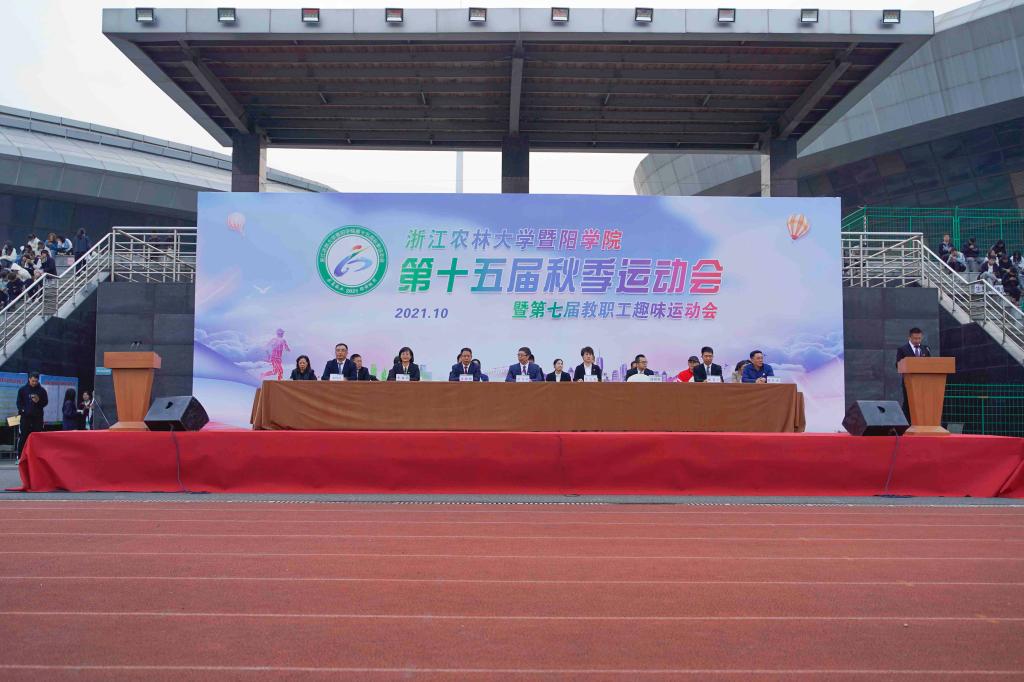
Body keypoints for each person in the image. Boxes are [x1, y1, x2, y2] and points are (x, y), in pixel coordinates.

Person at [16, 372, 48, 458]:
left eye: (36, 381)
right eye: (33, 381)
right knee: (23, 436)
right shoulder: (22, 390)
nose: (34, 383)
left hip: (37, 418)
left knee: (36, 436)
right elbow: (19, 403)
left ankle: (35, 456)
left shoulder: (42, 390)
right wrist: (23, 410)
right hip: (25, 418)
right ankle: (20, 456)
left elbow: (45, 402)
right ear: (29, 379)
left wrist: (38, 401)